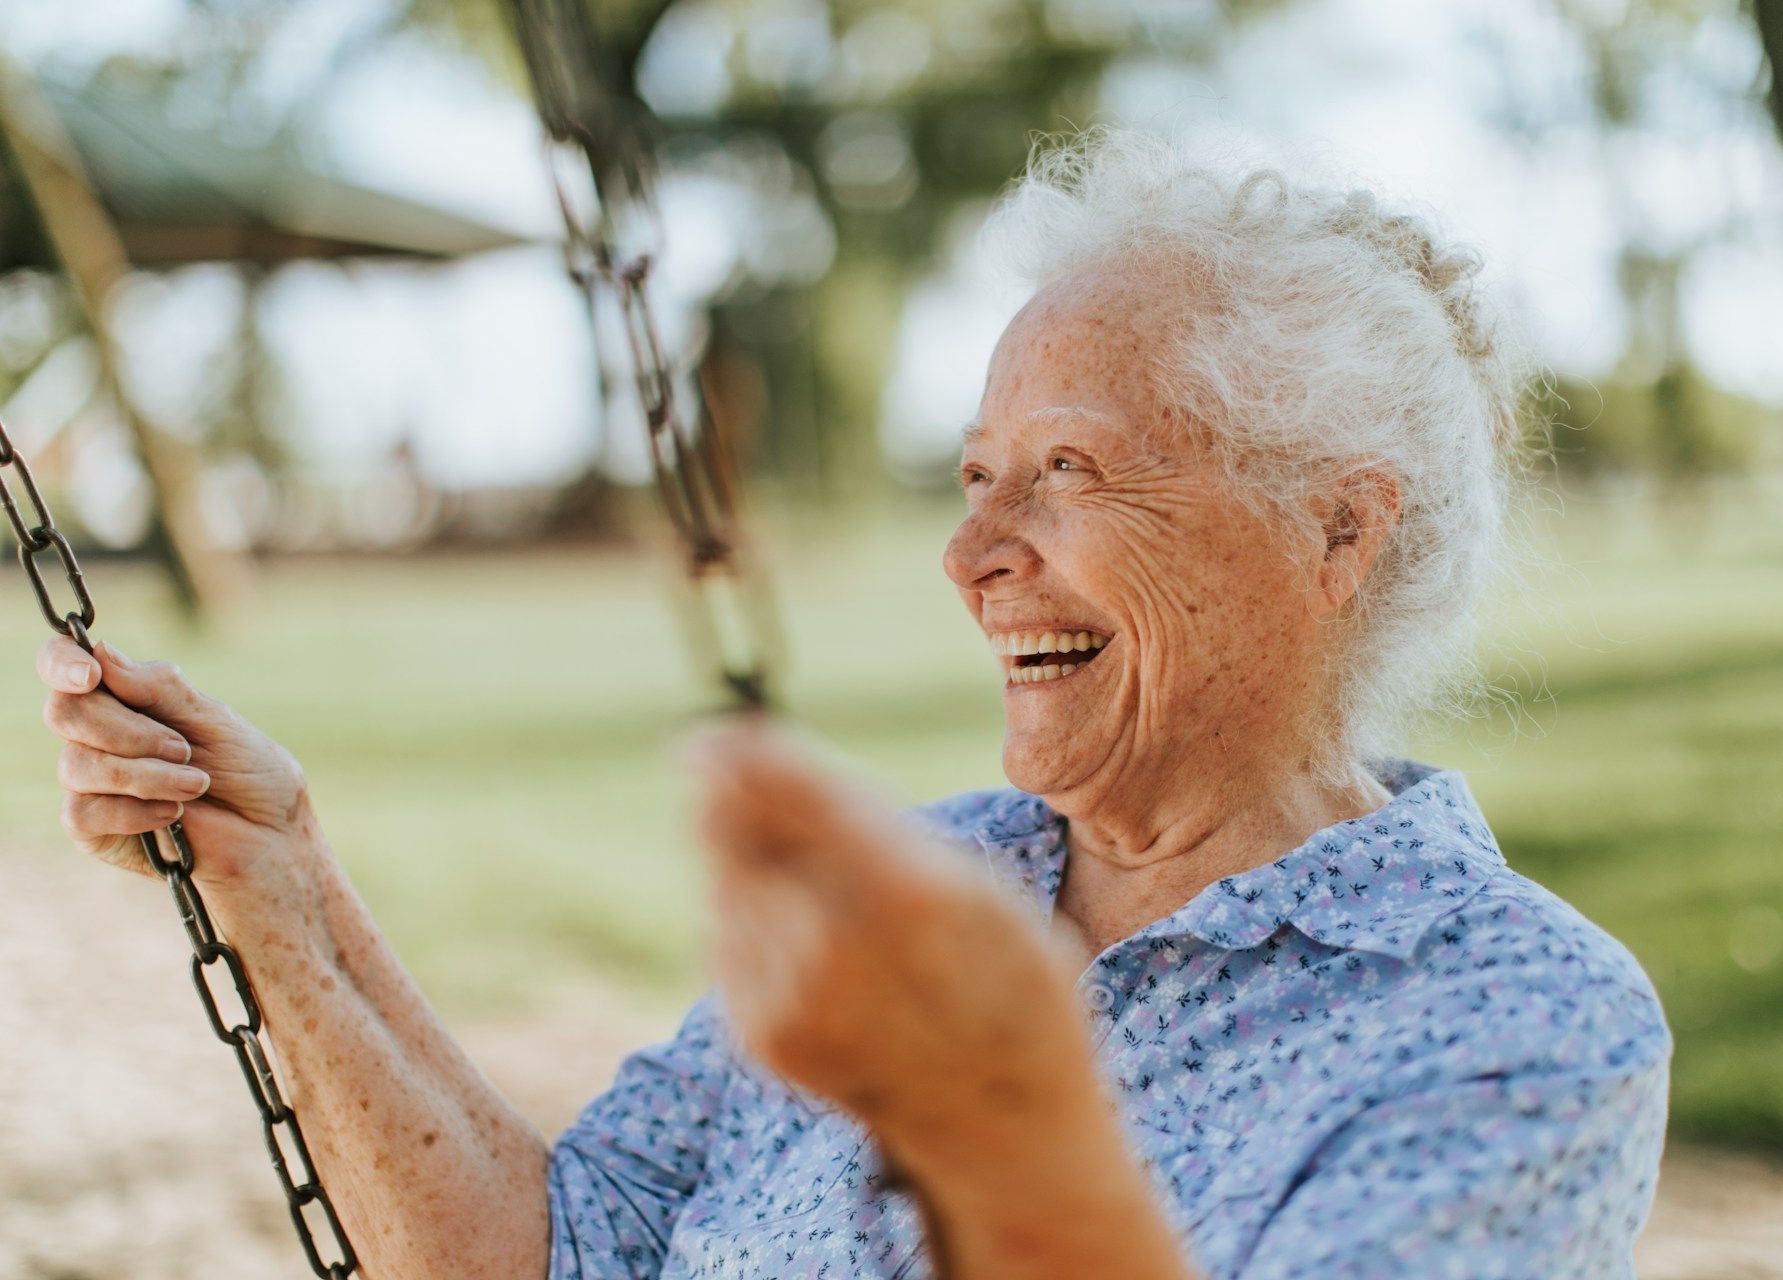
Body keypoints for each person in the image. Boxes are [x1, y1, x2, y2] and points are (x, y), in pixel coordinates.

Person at [33, 130, 1670, 1279]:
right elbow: (566, 1256)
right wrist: (289, 896)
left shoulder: (1514, 1026)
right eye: (972, 479)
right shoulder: (923, 876)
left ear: (1335, 528)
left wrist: (983, 1125)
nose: (970, 555)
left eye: (1068, 475)